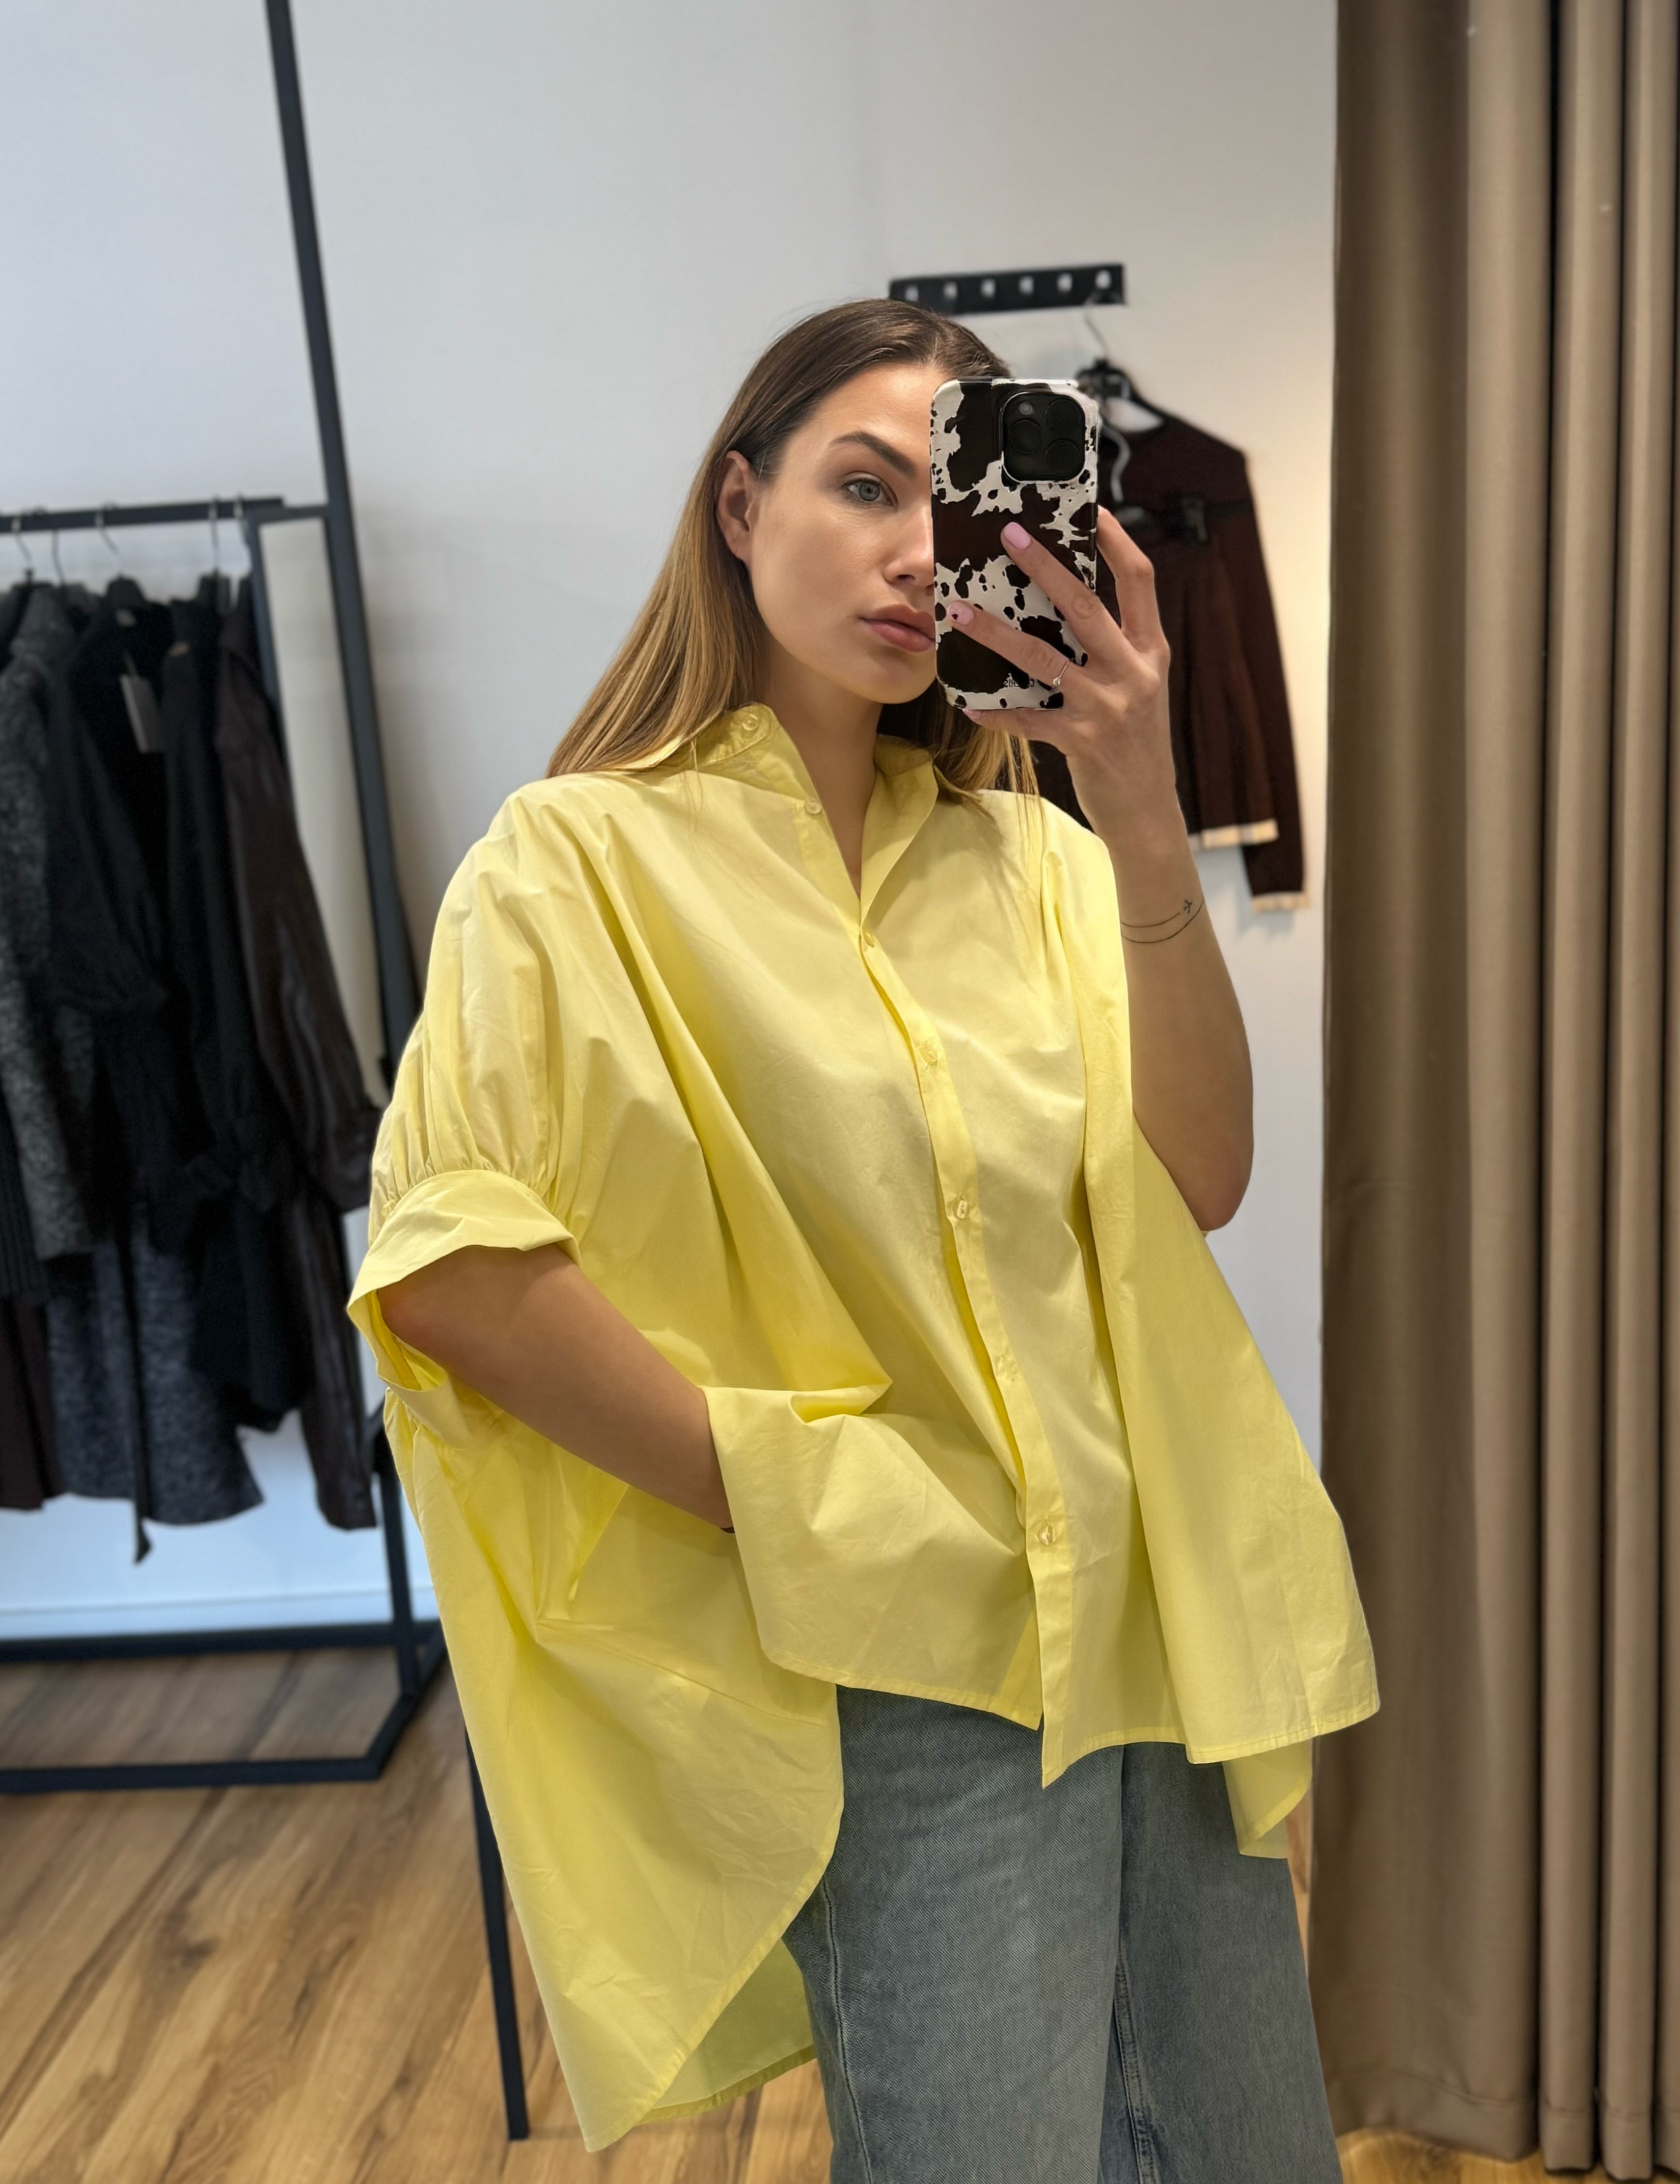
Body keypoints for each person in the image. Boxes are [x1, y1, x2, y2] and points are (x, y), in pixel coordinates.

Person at [347, 298, 1378, 2178]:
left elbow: (1206, 1173)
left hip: (1156, 1606)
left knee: (1243, 2149)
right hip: (909, 1663)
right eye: (863, 486)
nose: (918, 551)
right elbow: (451, 1266)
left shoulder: (1038, 863)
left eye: (951, 501)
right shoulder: (573, 863)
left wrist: (1141, 810)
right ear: (740, 507)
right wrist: (809, 1507)